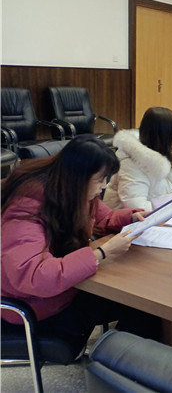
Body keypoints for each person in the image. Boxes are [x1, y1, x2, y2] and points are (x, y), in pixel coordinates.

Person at [1, 135, 161, 342]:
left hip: (66, 288)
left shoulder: (72, 192)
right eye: (100, 179)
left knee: (144, 302)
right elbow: (36, 276)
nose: (103, 186)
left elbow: (102, 218)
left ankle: (121, 355)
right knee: (140, 306)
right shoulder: (25, 211)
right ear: (79, 177)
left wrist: (130, 217)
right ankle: (119, 357)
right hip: (35, 306)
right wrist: (101, 253)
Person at [104, 107, 172, 211]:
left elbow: (164, 191)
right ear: (162, 138)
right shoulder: (131, 165)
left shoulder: (165, 155)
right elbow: (137, 209)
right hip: (127, 220)